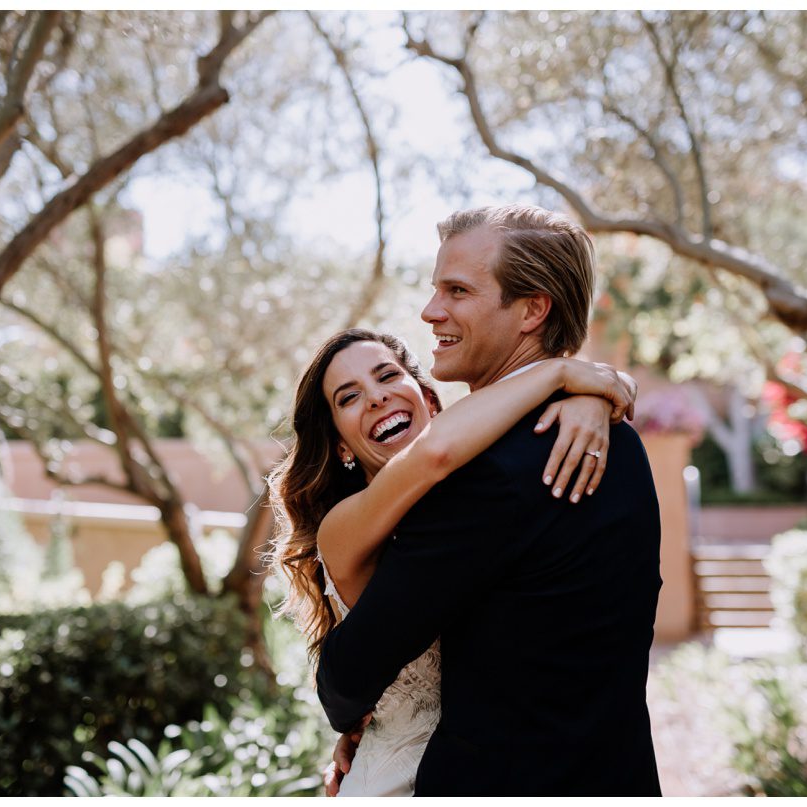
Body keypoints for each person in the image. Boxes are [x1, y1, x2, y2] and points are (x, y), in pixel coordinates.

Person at [314, 204, 663, 796]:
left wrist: (361, 721)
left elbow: (348, 678)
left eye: (457, 290)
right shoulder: (617, 439)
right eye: (435, 289)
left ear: (532, 310)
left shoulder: (487, 475)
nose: (430, 311)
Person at [268, 328, 635, 796]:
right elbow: (434, 454)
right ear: (341, 445)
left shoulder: (477, 500)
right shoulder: (342, 527)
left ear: (429, 401)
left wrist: (595, 397)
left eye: (387, 376)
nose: (377, 397)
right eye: (349, 397)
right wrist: (562, 373)